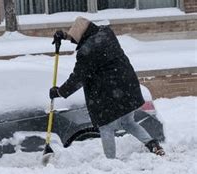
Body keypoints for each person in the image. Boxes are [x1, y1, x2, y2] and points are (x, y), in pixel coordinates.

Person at [49, 16, 165, 159]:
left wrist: (60, 92)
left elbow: (78, 78)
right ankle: (153, 145)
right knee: (128, 122)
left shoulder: (87, 52)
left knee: (106, 126)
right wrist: (66, 36)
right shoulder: (106, 33)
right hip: (127, 86)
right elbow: (85, 37)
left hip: (109, 93)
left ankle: (110, 160)